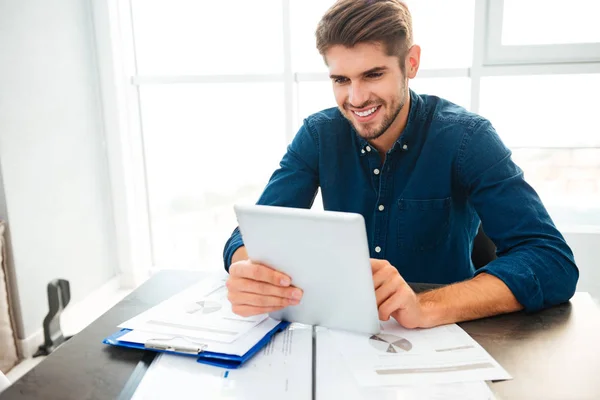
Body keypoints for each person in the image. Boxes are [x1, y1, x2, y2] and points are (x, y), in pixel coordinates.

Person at [222, 0, 578, 329]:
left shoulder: (468, 138)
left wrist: (425, 307)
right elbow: (252, 231)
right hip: (344, 335)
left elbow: (552, 260)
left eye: (373, 75)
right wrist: (246, 268)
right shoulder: (318, 135)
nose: (356, 98)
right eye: (341, 80)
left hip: (443, 340)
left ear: (411, 62)